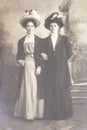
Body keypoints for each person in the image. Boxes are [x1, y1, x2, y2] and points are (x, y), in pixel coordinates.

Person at [42, 12, 73, 121]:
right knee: (51, 88)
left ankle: (64, 113)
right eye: (51, 26)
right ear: (49, 28)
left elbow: (69, 53)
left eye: (55, 25)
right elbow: (42, 52)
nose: (53, 27)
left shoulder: (64, 39)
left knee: (62, 89)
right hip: (50, 69)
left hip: (62, 68)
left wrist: (61, 58)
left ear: (59, 27)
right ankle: (52, 114)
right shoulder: (45, 40)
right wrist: (43, 55)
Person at [14, 9, 43, 120]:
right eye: (28, 26)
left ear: (35, 27)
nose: (30, 28)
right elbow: (18, 55)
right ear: (25, 28)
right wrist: (20, 60)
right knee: (25, 87)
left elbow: (42, 55)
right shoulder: (21, 41)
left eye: (31, 26)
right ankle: (26, 113)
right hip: (25, 66)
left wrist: (40, 66)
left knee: (35, 88)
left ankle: (35, 113)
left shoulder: (39, 40)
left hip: (35, 65)